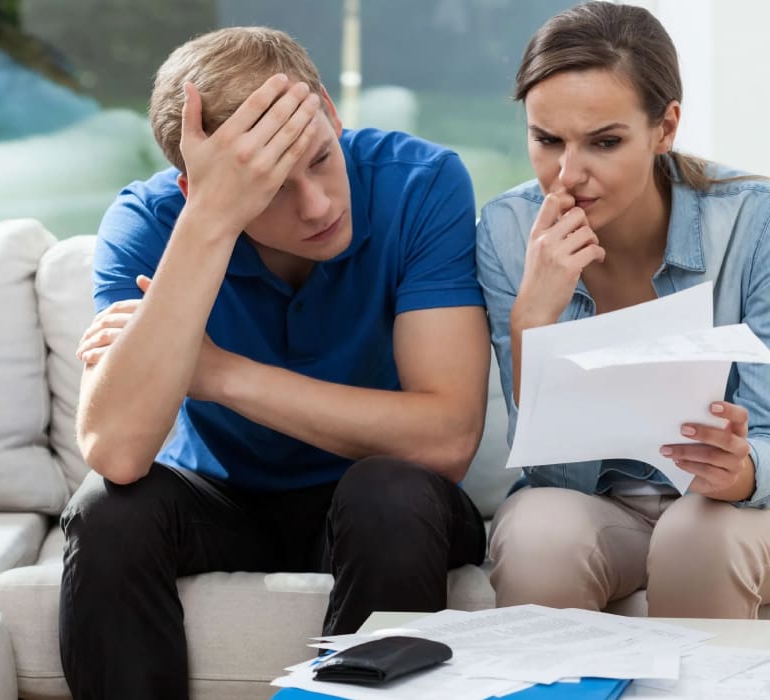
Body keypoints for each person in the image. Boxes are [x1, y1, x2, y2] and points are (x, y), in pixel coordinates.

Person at [62, 26, 489, 699]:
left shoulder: (422, 184)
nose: (318, 206)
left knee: (392, 491)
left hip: (375, 500)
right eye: (267, 190)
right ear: (194, 186)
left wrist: (219, 372)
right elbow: (114, 451)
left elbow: (447, 439)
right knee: (108, 512)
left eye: (321, 158)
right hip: (222, 499)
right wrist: (210, 221)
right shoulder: (150, 223)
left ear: (331, 108)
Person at [477, 1, 770, 619]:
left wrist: (734, 472)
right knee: (536, 539)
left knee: (694, 535)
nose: (568, 175)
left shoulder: (756, 219)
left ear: (665, 127)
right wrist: (533, 318)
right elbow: (546, 461)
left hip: (755, 506)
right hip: (599, 505)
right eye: (547, 140)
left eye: (605, 142)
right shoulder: (507, 229)